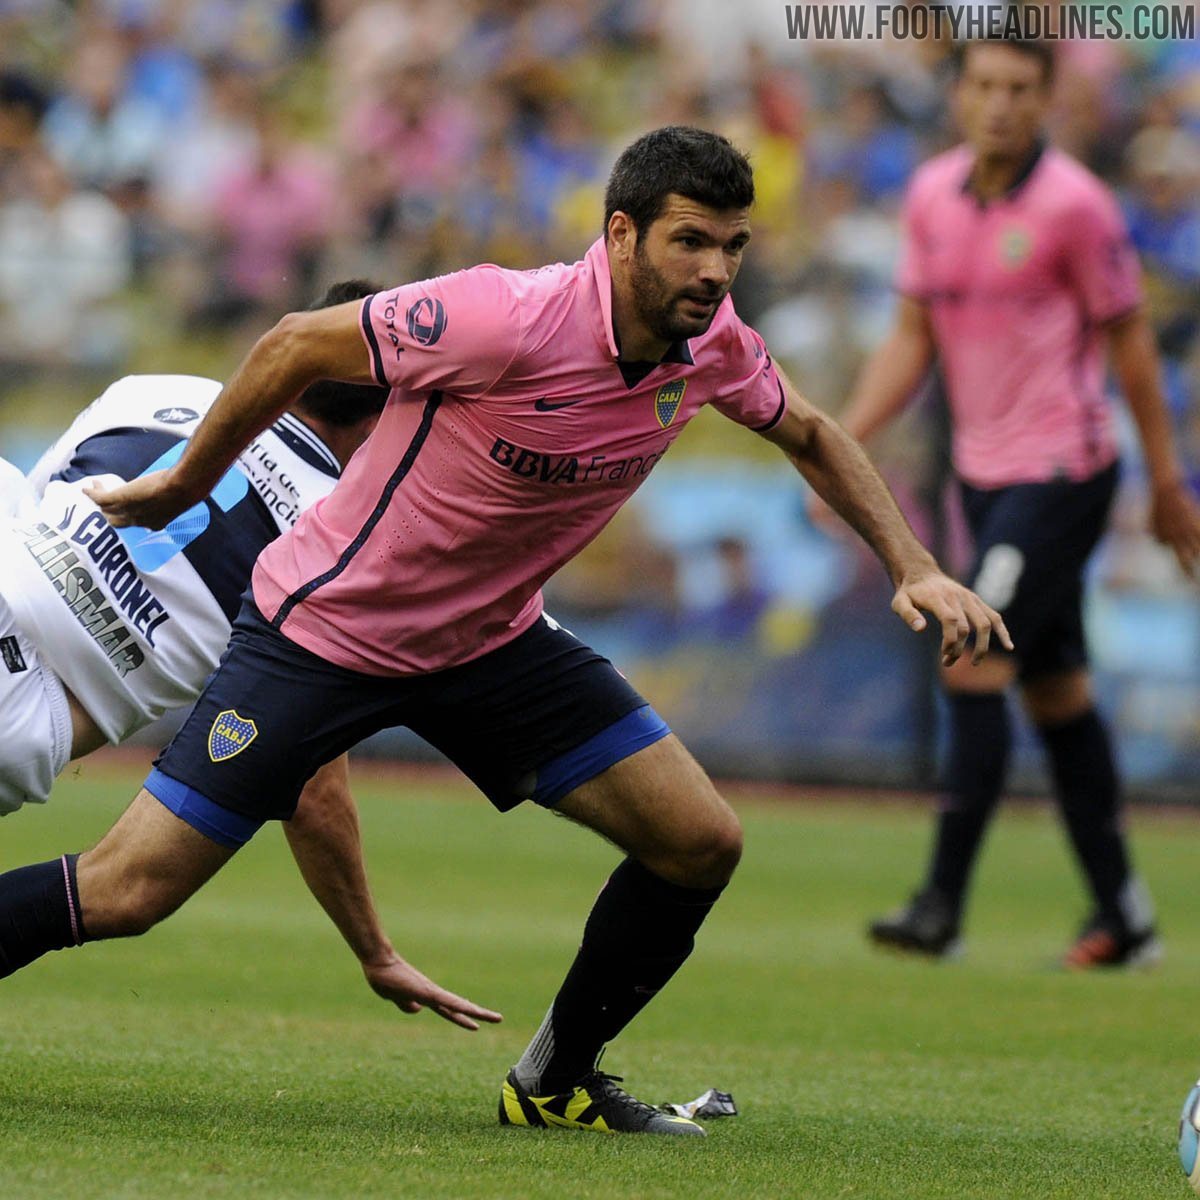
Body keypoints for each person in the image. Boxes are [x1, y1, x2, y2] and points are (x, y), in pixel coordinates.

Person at [0, 125, 1008, 1137]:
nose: (715, 270)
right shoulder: (504, 314)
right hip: (327, 632)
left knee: (700, 842)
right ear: (622, 235)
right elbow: (297, 341)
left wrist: (914, 564)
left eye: (732, 247)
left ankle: (556, 1079)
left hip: (488, 645)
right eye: (691, 242)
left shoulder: (714, 348)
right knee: (131, 891)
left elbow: (814, 432)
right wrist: (184, 480)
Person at [0, 280, 498, 1028]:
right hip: (19, 707)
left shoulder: (152, 390)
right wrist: (372, 948)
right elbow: (312, 784)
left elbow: (35, 510)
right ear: (388, 417)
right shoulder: (344, 538)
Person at [830, 38, 1200, 967]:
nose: (999, 104)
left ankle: (940, 908)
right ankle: (1127, 916)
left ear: (1047, 99)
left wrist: (1165, 481)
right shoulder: (931, 196)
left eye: (1019, 89)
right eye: (984, 86)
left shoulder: (1076, 207)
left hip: (1064, 472)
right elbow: (913, 335)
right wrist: (838, 441)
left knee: (970, 654)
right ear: (959, 95)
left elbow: (1131, 350)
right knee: (1057, 691)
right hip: (982, 480)